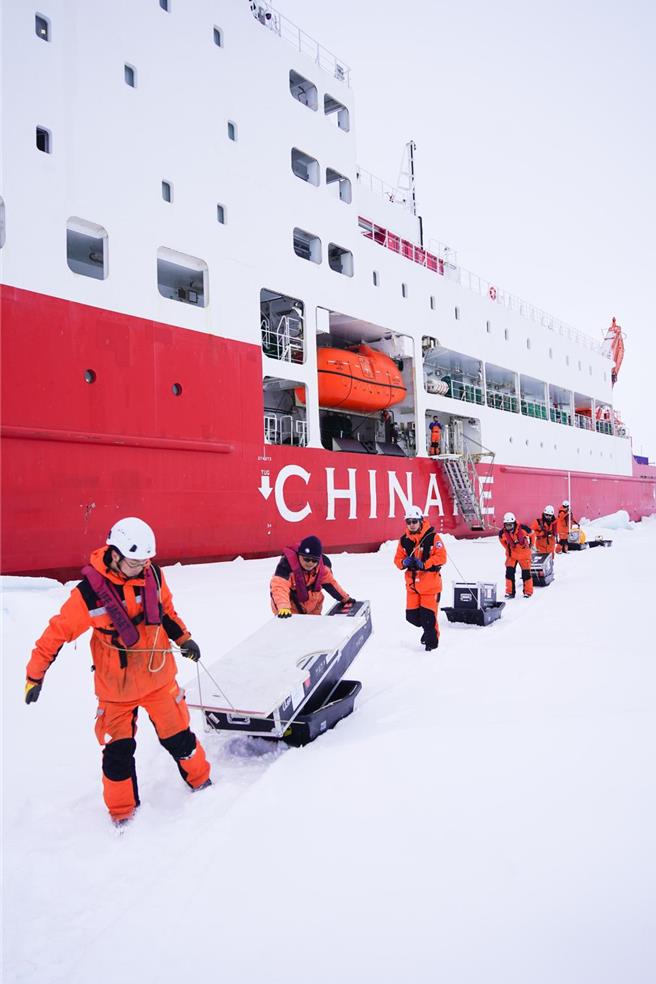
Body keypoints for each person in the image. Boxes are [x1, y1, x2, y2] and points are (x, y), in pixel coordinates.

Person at [24, 517, 211, 826]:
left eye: (145, 562)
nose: (141, 568)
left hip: (158, 677)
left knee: (181, 739)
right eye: (135, 562)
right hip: (116, 691)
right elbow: (56, 634)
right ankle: (123, 816)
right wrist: (35, 675)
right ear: (115, 553)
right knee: (117, 757)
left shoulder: (154, 576)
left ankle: (203, 783)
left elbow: (167, 612)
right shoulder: (88, 595)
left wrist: (184, 638)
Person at [394, 505, 447, 651]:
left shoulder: (433, 537)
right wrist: (403, 562)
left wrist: (425, 564)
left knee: (428, 618)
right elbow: (397, 559)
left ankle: (432, 643)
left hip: (430, 586)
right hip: (412, 587)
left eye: (414, 521)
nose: (411, 525)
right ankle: (427, 629)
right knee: (411, 617)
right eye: (408, 522)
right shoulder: (404, 540)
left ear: (421, 521)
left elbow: (442, 557)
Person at [270, 535, 352, 617]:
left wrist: (345, 599)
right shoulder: (285, 567)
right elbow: (279, 587)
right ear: (299, 555)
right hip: (290, 611)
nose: (310, 563)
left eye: (314, 560)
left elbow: (331, 584)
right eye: (307, 559)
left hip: (314, 608)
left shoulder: (322, 568)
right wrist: (284, 607)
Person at [498, 511, 533, 598]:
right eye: (507, 525)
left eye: (510, 525)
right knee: (509, 574)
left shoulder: (523, 529)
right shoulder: (503, 533)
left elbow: (532, 534)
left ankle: (528, 592)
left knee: (526, 574)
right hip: (511, 556)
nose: (508, 527)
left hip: (524, 555)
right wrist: (507, 548)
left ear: (514, 523)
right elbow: (501, 540)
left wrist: (531, 545)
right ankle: (510, 592)